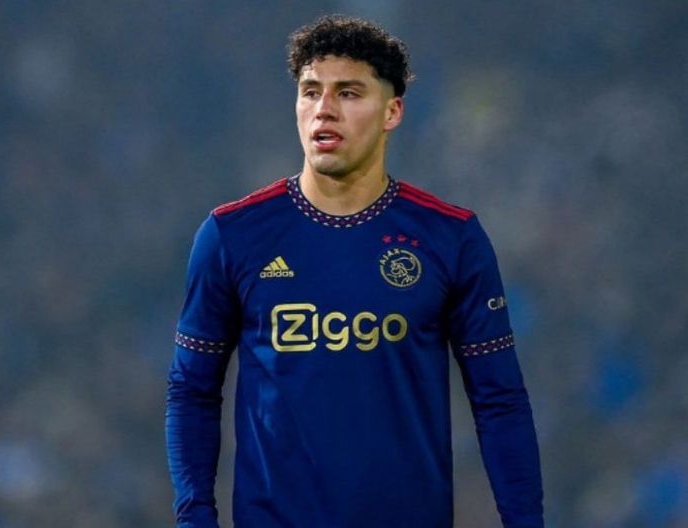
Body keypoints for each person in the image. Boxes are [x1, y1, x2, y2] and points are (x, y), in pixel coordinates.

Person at [166, 14, 543, 528]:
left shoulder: (451, 237)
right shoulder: (232, 234)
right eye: (310, 91)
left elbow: (499, 400)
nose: (324, 108)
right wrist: (194, 519)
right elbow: (191, 389)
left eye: (348, 93)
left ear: (392, 111)